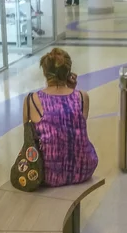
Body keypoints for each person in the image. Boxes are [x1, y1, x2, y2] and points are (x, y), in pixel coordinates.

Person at [23, 48, 98, 187]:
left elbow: (28, 136)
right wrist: (72, 88)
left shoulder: (32, 100)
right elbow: (71, 130)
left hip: (48, 175)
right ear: (69, 72)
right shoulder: (82, 97)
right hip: (83, 169)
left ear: (45, 72)